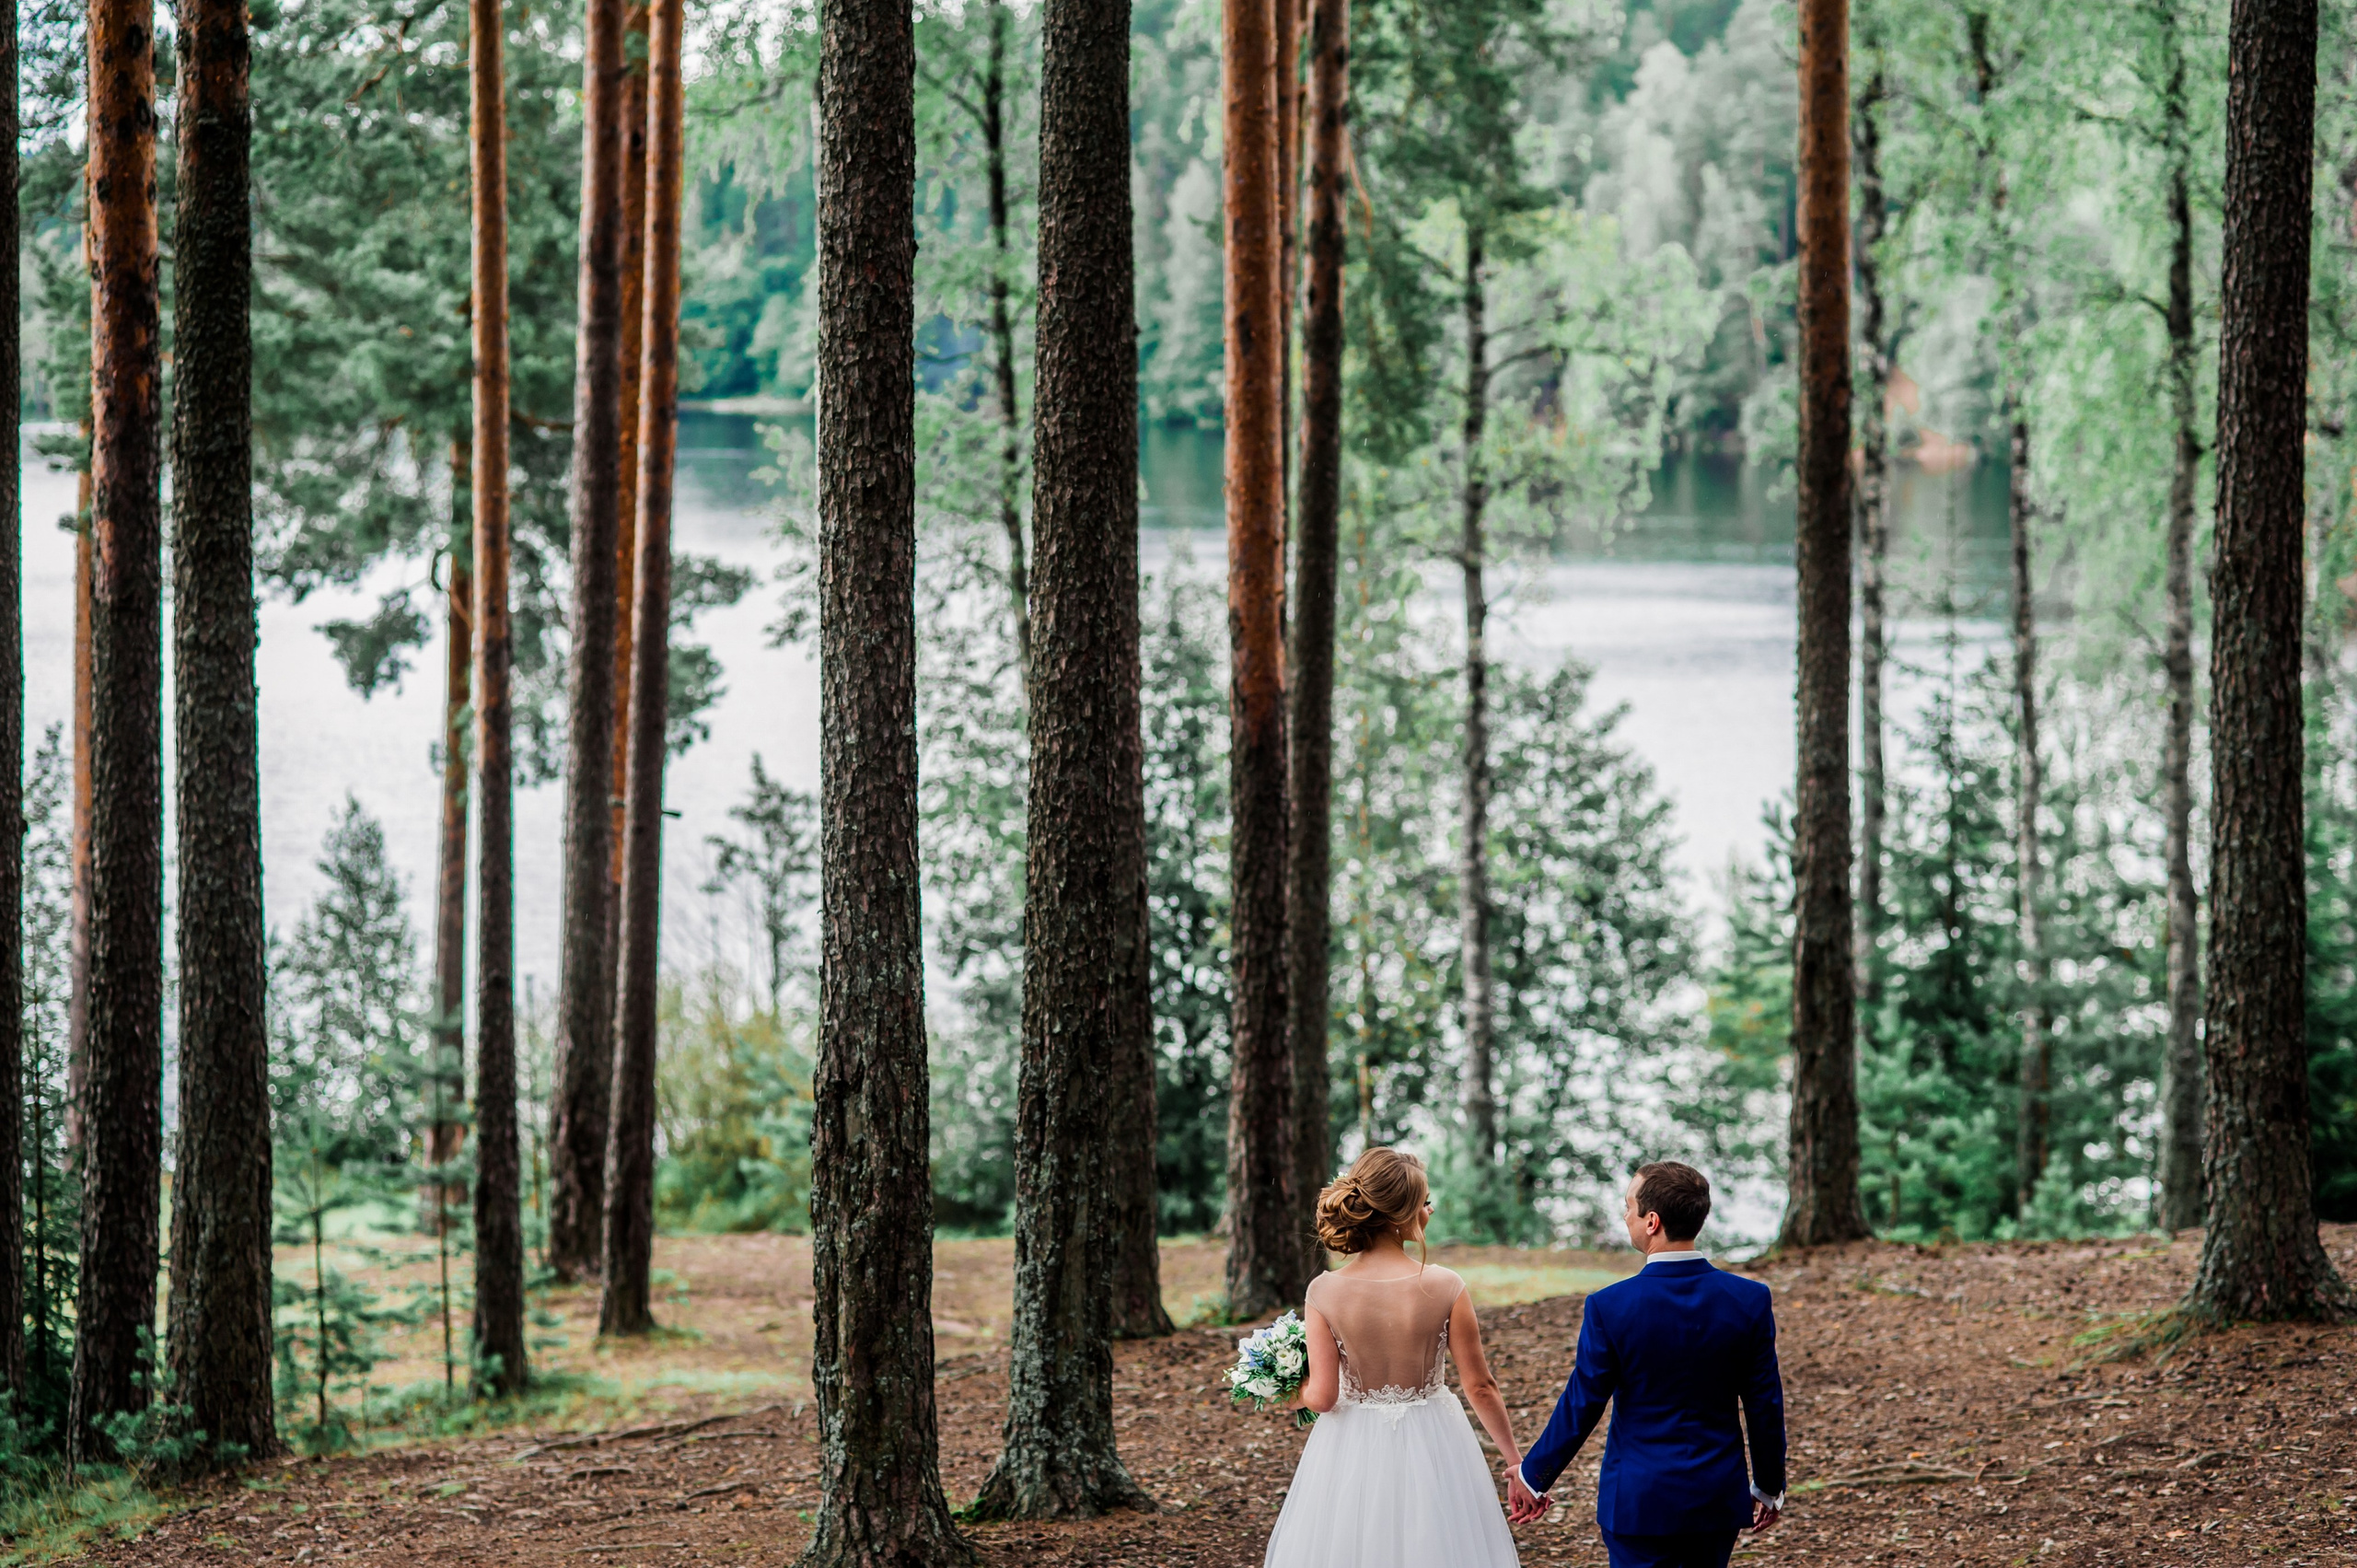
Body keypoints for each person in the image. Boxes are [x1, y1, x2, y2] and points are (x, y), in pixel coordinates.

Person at [1508, 1162, 1786, 1568]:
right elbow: (1764, 1403)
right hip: (1715, 1498)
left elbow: (1583, 1403)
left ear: (1651, 1221)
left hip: (1639, 1500)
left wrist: (1534, 1477)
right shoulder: (1749, 1300)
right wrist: (1768, 1485)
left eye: (1629, 1207)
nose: (1626, 1217)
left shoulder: (1610, 1306)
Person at [1262, 1146, 1527, 1568]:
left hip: (1349, 1446)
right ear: (1398, 1213)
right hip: (1436, 1440)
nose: (1430, 1210)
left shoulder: (1324, 1291)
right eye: (1424, 1202)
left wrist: (1288, 1391)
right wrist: (1517, 1464)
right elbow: (1480, 1386)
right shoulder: (1446, 1285)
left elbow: (1324, 1397)